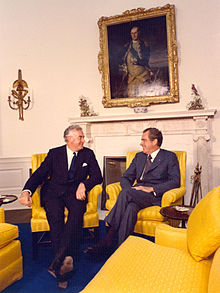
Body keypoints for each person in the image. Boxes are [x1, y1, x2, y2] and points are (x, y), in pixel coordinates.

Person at [19, 125, 102, 289]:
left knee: (76, 216)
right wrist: (26, 192)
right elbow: (39, 174)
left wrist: (84, 184)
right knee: (56, 220)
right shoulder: (55, 153)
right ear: (69, 139)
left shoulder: (88, 154)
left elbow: (97, 176)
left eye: (83, 137)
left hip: (75, 192)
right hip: (53, 192)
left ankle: (57, 263)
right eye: (80, 137)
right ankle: (66, 259)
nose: (84, 140)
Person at [85, 127, 180, 256]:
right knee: (130, 207)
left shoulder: (169, 157)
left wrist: (151, 189)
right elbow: (126, 177)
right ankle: (121, 250)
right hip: (136, 194)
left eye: (144, 140)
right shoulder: (139, 156)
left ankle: (108, 238)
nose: (141, 143)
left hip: (155, 196)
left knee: (127, 194)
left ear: (154, 141)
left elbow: (175, 181)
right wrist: (130, 190)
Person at [118, 26, 154, 97]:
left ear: (139, 33)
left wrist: (137, 61)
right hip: (131, 78)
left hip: (142, 77)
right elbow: (122, 60)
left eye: (135, 33)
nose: (133, 35)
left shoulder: (144, 45)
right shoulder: (127, 46)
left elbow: (146, 60)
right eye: (132, 33)